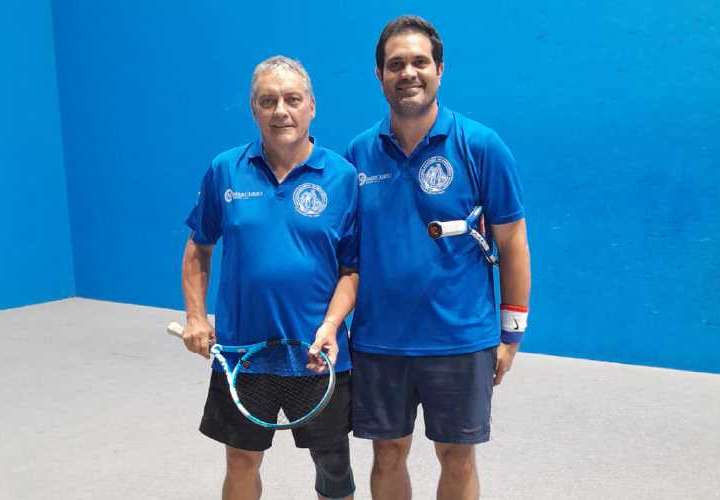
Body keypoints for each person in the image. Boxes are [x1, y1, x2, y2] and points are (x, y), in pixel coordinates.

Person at [344, 16, 532, 500]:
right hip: (379, 342)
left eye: (419, 62)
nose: (408, 72)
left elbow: (512, 242)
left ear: (440, 70)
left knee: (457, 456)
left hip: (460, 338)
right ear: (379, 76)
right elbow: (342, 257)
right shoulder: (357, 156)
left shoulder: (481, 146)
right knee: (386, 453)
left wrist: (510, 335)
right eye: (395, 64)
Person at [182, 55, 358, 500]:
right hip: (244, 353)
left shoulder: (342, 177)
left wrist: (331, 326)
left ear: (311, 106)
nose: (281, 110)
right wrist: (196, 317)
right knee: (241, 461)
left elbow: (352, 270)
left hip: (319, 352)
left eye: (292, 99)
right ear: (254, 109)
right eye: (268, 100)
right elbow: (199, 247)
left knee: (333, 463)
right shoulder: (225, 169)